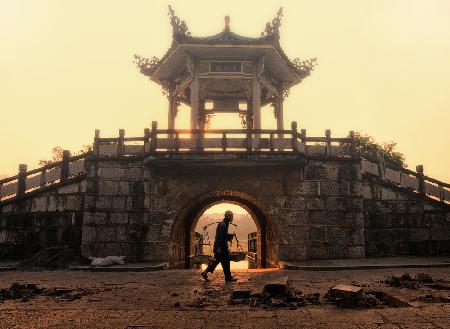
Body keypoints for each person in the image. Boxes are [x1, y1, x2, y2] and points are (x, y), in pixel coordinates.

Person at [201, 210, 237, 282]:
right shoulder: (223, 225)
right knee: (225, 262)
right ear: (227, 216)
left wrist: (230, 236)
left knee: (217, 261)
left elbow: (224, 236)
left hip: (221, 247)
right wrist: (219, 247)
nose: (232, 217)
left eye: (232, 216)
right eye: (230, 216)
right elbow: (219, 237)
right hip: (221, 247)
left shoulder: (224, 224)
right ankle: (228, 278)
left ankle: (205, 272)